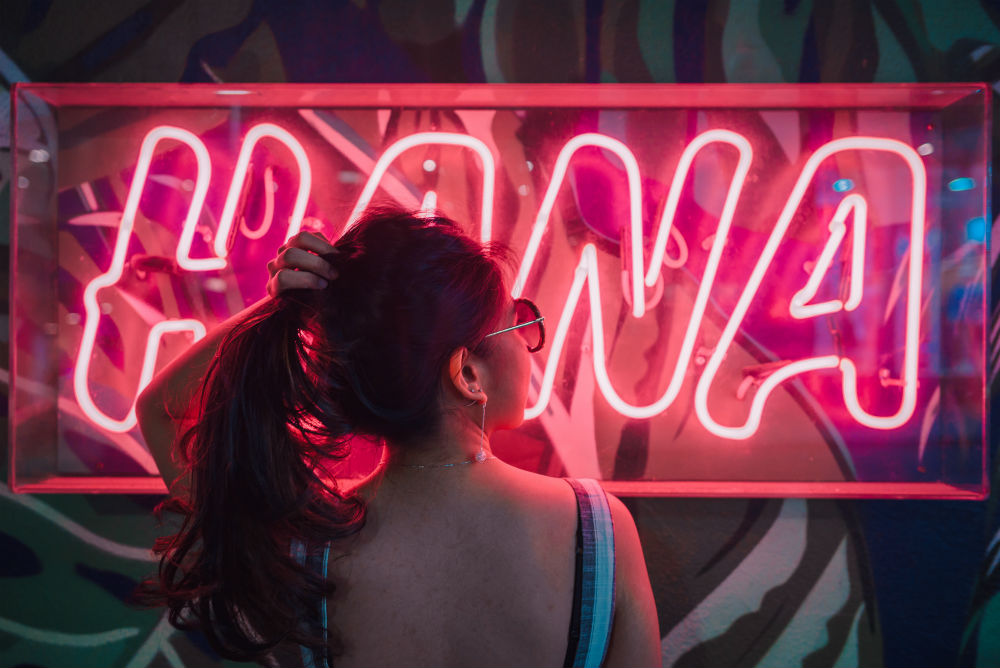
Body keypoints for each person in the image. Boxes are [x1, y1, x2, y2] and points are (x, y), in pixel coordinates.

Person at [135, 208, 661, 667]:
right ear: (467, 375)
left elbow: (161, 409)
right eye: (515, 322)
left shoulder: (305, 544)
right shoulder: (598, 531)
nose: (529, 342)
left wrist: (284, 304)